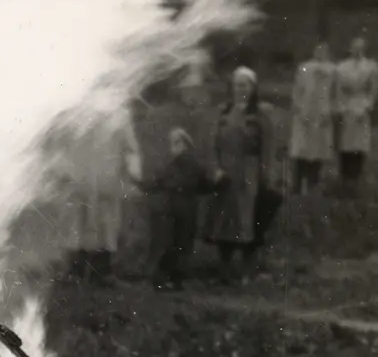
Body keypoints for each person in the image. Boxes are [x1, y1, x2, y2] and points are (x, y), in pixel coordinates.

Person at [202, 67, 280, 284]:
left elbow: (269, 148)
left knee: (249, 221)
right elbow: (211, 145)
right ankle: (224, 271)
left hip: (249, 173)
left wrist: (267, 175)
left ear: (253, 88)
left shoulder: (261, 115)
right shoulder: (223, 112)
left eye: (245, 85)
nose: (241, 89)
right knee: (223, 221)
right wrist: (215, 169)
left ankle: (247, 271)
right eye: (237, 84)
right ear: (232, 87)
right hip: (225, 174)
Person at [64, 106, 144, 284]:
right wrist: (66, 171)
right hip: (81, 180)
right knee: (78, 224)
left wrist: (134, 173)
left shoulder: (119, 114)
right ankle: (75, 271)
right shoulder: (77, 110)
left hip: (107, 180)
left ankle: (101, 272)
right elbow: (65, 143)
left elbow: (130, 148)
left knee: (106, 225)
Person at [141, 127, 212, 291]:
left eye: (176, 142)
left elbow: (158, 183)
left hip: (173, 207)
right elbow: (203, 186)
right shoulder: (193, 164)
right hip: (184, 208)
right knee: (182, 245)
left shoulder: (173, 165)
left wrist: (142, 185)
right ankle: (173, 279)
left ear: (184, 144)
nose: (173, 146)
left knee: (173, 244)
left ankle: (165, 279)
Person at [289, 42, 336, 194]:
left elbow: (336, 93)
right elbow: (297, 88)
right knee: (300, 150)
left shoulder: (333, 70)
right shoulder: (304, 67)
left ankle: (312, 184)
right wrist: (297, 106)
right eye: (318, 50)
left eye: (324, 51)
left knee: (318, 150)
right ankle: (296, 185)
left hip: (323, 113)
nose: (320, 53)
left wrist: (330, 111)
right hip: (304, 112)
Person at [335, 37, 378, 197]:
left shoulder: (371, 67)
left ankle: (355, 179)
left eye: (360, 48)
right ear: (350, 48)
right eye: (354, 47)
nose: (357, 50)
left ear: (364, 49)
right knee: (345, 144)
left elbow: (373, 90)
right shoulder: (341, 67)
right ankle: (344, 179)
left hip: (361, 106)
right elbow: (338, 89)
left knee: (359, 145)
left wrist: (367, 107)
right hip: (346, 106)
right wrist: (341, 107)